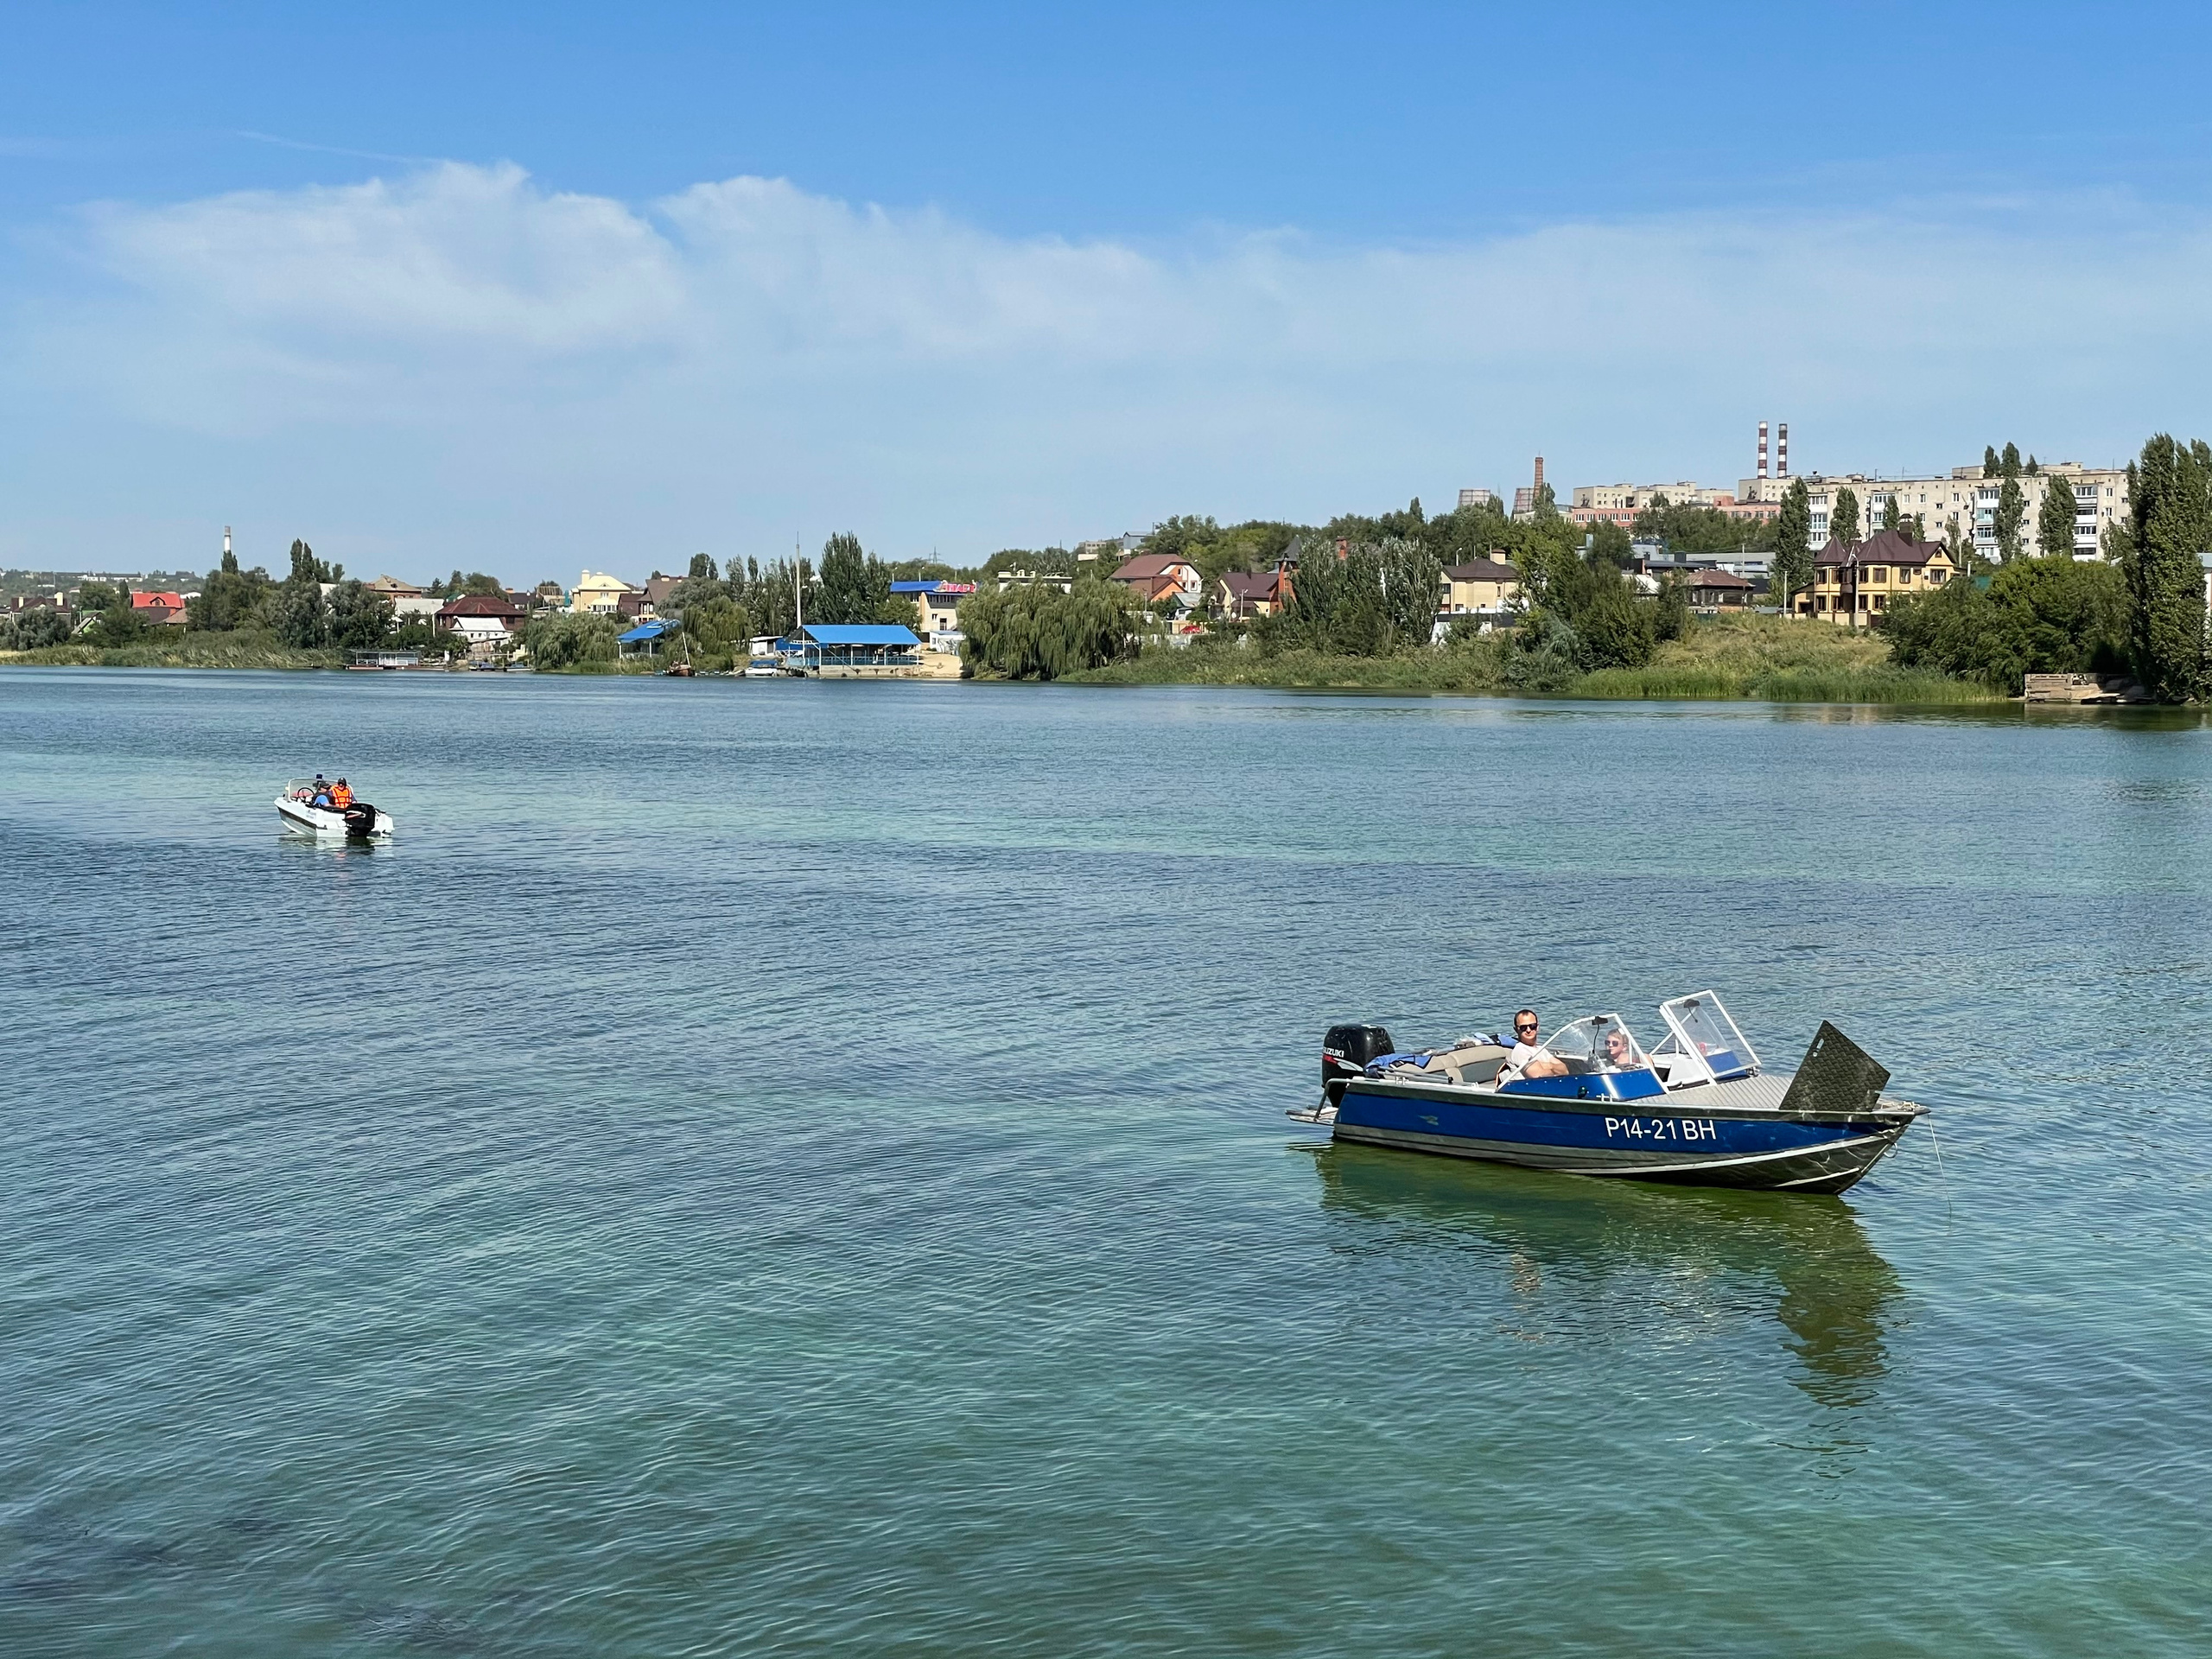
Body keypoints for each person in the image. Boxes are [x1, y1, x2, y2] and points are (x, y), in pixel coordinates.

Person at [1502, 1009, 1567, 1081]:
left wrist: (1545, 1065)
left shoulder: (1541, 1049)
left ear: (1537, 1027)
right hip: (1527, 1090)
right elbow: (1539, 1076)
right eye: (1523, 1027)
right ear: (1516, 1029)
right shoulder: (1520, 1050)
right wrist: (1551, 1066)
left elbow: (1564, 1070)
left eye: (1532, 1026)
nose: (1528, 1030)